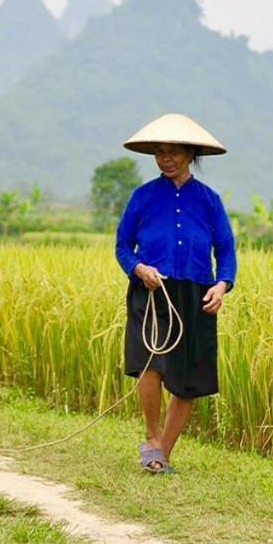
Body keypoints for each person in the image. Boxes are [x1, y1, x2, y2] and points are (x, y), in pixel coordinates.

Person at [115, 112, 236, 473]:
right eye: (159, 152)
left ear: (190, 154)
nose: (165, 158)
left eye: (173, 152)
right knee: (150, 362)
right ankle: (151, 437)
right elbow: (123, 245)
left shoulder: (209, 200)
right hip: (153, 292)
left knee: (188, 379)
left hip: (197, 294)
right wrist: (138, 268)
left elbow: (226, 250)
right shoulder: (143, 197)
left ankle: (162, 454)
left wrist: (222, 285)